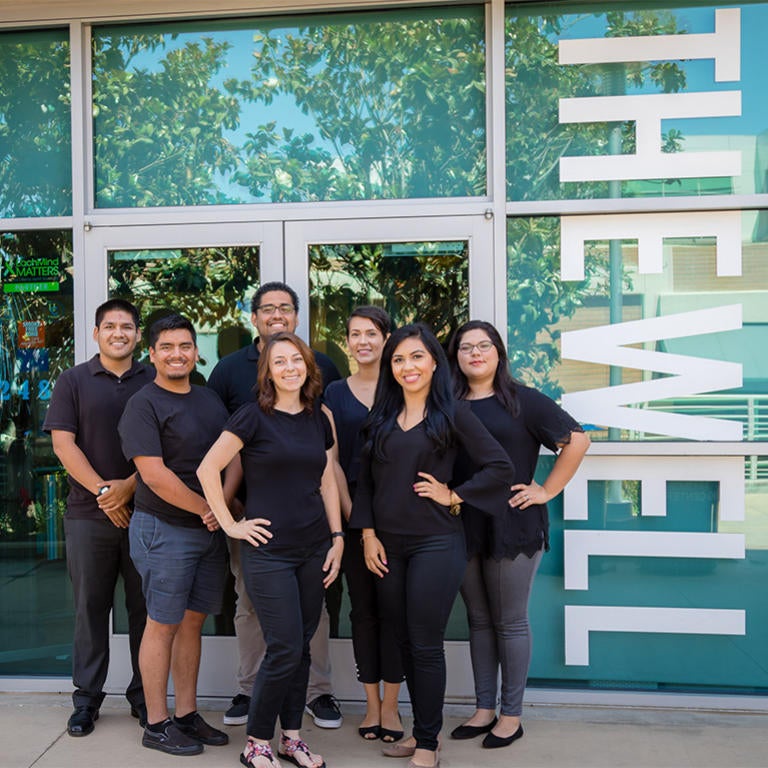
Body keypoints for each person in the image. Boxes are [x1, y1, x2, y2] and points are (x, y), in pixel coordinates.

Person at [349, 323, 514, 768]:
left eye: (417, 356)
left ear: (435, 363)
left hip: (436, 544)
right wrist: (368, 535)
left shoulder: (453, 414)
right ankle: (425, 732)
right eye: (399, 359)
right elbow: (366, 483)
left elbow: (499, 466)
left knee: (423, 643)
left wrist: (454, 495)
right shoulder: (381, 417)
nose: (408, 366)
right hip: (387, 546)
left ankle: (426, 743)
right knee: (403, 639)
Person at [197, 331, 344, 768]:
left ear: (308, 366)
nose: (289, 368)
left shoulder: (319, 418)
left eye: (296, 359)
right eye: (279, 361)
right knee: (283, 645)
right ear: (267, 371)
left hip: (314, 547)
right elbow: (207, 469)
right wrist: (230, 525)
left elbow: (327, 480)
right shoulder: (251, 416)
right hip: (269, 552)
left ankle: (291, 739)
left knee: (301, 646)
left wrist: (337, 538)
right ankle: (257, 742)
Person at [446, 320, 590, 749]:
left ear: (498, 353)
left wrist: (547, 490)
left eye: (483, 346)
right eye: (466, 347)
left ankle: (511, 716)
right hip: (463, 520)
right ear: (455, 356)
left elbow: (577, 441)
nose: (475, 353)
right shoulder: (447, 403)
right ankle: (483, 710)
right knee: (478, 620)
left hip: (513, 522)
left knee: (509, 621)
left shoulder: (523, 400)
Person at [118, 314, 232, 757]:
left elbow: (230, 457)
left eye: (185, 346)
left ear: (196, 352)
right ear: (151, 354)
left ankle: (186, 714)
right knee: (162, 624)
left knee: (192, 623)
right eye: (166, 347)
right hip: (164, 529)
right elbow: (153, 474)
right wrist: (207, 508)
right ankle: (156, 723)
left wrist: (223, 506)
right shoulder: (143, 404)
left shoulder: (209, 400)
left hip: (208, 530)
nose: (177, 354)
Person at [44, 299, 152, 737]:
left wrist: (129, 487)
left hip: (149, 514)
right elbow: (63, 444)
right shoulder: (72, 381)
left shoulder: (155, 378)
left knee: (146, 610)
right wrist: (107, 493)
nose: (118, 333)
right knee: (90, 609)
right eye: (110, 326)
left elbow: (171, 444)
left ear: (138, 335)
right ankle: (86, 700)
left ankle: (146, 697)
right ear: (96, 333)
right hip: (89, 515)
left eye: (127, 326)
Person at [322, 307, 404, 743]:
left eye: (371, 333)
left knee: (396, 611)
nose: (362, 342)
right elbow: (331, 461)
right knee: (363, 612)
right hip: (352, 514)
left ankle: (392, 706)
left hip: (402, 518)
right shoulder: (334, 393)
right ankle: (371, 705)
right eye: (355, 334)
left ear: (386, 338)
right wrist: (355, 516)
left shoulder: (406, 385)